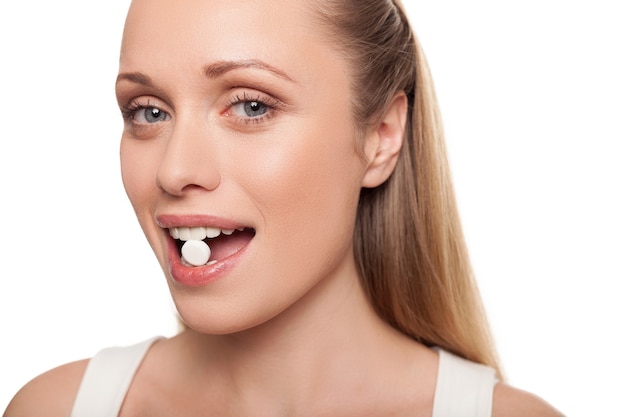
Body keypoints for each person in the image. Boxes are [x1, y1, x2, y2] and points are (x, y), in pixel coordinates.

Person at [4, 0, 564, 416]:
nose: (174, 171)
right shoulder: (54, 408)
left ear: (381, 136)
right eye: (148, 112)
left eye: (250, 105)